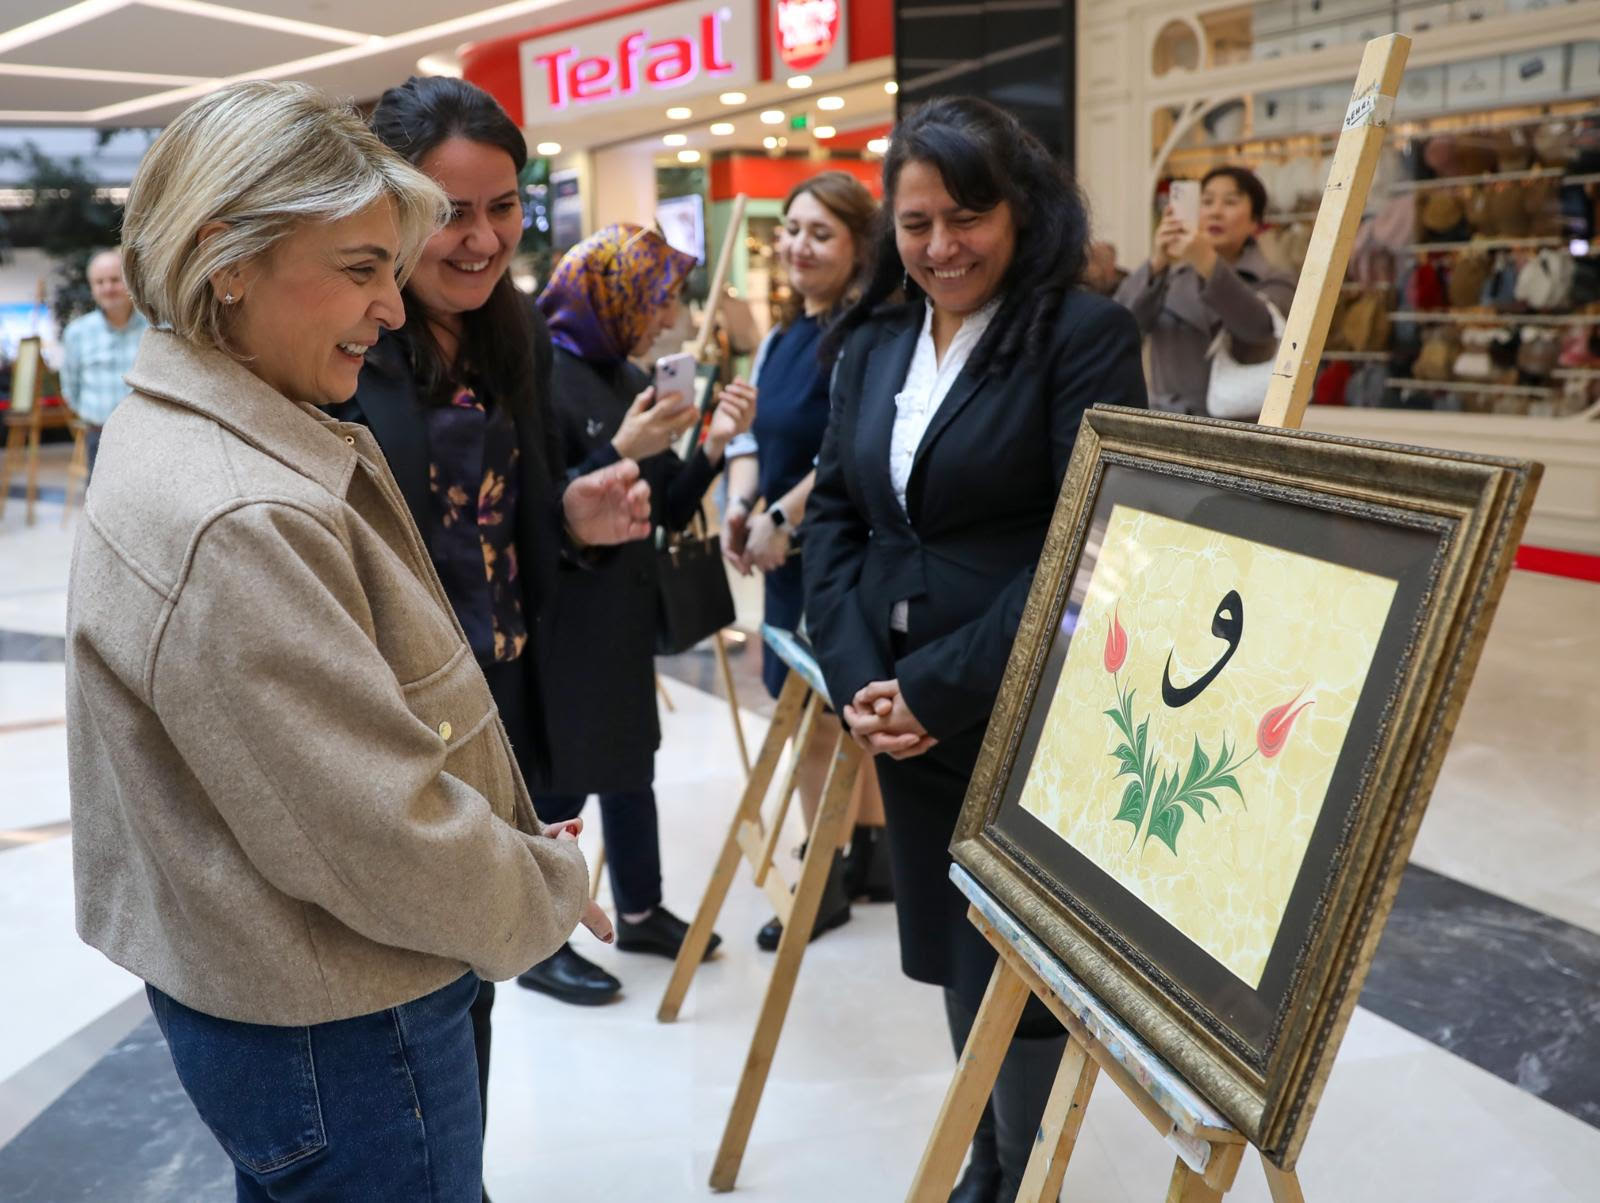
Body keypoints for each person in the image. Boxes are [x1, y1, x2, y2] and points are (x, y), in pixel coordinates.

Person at [67, 80, 632, 1203]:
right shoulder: (238, 509)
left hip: (283, 990)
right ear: (229, 257)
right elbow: (369, 828)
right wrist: (541, 892)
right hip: (340, 1013)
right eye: (363, 267)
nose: (389, 308)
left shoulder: (197, 425)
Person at [803, 97, 1148, 1203]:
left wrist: (940, 688)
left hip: (1023, 698)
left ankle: (1018, 1168)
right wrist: (862, 677)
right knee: (957, 938)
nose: (941, 246)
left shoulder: (1080, 334)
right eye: (915, 224)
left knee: (1028, 956)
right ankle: (989, 1161)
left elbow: (1091, 543)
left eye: (968, 216)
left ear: (1022, 210)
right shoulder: (869, 341)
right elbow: (836, 520)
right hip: (900, 705)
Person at [339, 75, 657, 1156]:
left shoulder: (509, 335)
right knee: (411, 1021)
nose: (479, 239)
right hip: (392, 725)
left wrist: (570, 517)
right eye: (449, 209)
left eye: (502, 207)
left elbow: (500, 532)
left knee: (466, 1008)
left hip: (502, 712)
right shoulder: (347, 355)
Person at [523, 223, 756, 1002]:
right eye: (654, 302)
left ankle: (642, 906)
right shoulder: (541, 378)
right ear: (610, 295)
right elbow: (544, 514)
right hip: (565, 618)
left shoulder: (625, 374)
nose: (665, 320)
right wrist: (617, 448)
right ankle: (539, 939)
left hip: (625, 610)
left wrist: (715, 445)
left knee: (631, 766)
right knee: (561, 787)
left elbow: (663, 506)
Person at [721, 171, 892, 951]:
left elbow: (855, 451)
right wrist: (740, 502)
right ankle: (859, 853)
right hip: (785, 549)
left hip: (844, 552)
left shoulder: (869, 337)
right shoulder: (786, 337)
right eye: (790, 229)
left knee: (825, 714)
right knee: (815, 707)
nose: (797, 245)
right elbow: (756, 436)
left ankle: (823, 880)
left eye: (820, 233)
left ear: (860, 247)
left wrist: (784, 513)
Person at [1114, 165, 1295, 415]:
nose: (1216, 212)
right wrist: (1158, 262)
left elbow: (1259, 328)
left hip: (1239, 433)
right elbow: (1121, 328)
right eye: (1206, 201)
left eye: (1230, 202)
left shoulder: (1276, 280)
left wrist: (1207, 262)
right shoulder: (1167, 279)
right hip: (1167, 427)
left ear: (1255, 221)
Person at [59, 248, 148, 471]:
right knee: (101, 505)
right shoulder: (77, 333)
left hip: (149, 437)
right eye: (99, 282)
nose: (107, 288)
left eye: (114, 280)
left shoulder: (156, 329)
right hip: (98, 437)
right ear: (92, 288)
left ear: (129, 281)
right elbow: (70, 386)